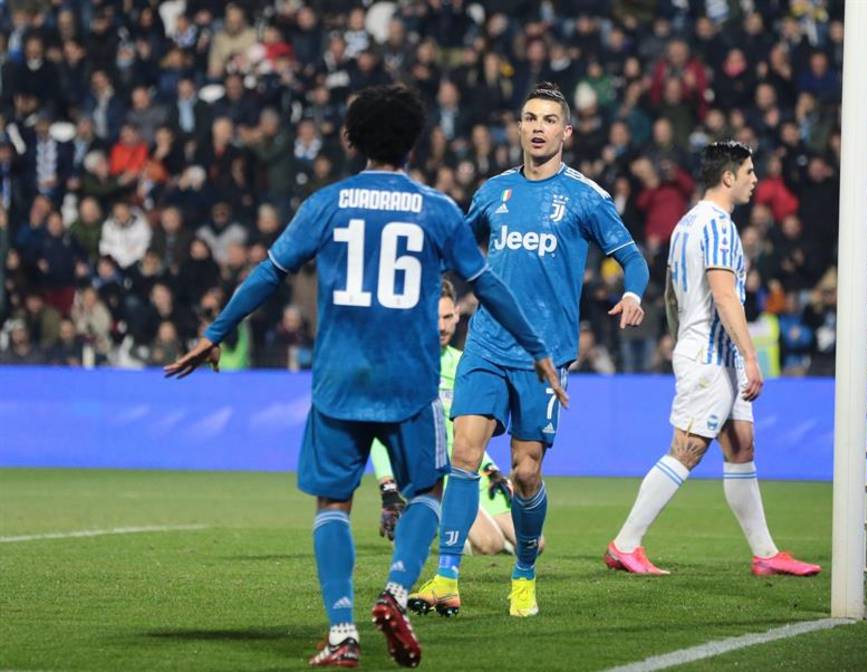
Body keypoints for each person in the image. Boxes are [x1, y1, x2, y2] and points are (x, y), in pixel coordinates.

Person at [165, 84, 566, 669]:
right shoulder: (436, 209)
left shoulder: (326, 203)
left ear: (350, 139)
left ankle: (341, 633)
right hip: (409, 379)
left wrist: (215, 332)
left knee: (333, 501)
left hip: (338, 378)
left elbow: (269, 272)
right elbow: (488, 286)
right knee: (429, 488)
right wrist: (536, 347)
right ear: (415, 142)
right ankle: (397, 591)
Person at [410, 82, 649, 619]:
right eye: (529, 118)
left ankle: (524, 575)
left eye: (548, 120)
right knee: (464, 454)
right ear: (518, 128)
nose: (537, 127)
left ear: (566, 132)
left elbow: (634, 258)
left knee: (524, 473)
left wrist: (633, 292)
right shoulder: (494, 192)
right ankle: (447, 576)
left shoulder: (585, 196)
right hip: (487, 343)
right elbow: (457, 250)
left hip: (545, 355)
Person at [604, 141, 820, 577]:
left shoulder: (686, 224)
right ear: (728, 177)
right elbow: (724, 296)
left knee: (742, 446)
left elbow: (670, 295)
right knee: (687, 450)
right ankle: (625, 544)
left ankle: (765, 553)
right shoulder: (718, 226)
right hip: (711, 354)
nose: (755, 179)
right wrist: (751, 357)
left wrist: (682, 336)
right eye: (749, 171)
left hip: (708, 349)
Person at [372, 279, 537, 557]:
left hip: (467, 469)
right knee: (490, 544)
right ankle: (420, 525)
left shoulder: (463, 364)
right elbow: (380, 434)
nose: (441, 326)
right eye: (433, 318)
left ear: (458, 314)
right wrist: (388, 489)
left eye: (448, 317)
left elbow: (466, 429)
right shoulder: (400, 367)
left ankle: (441, 525)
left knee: (535, 542)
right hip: (426, 473)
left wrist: (491, 469)